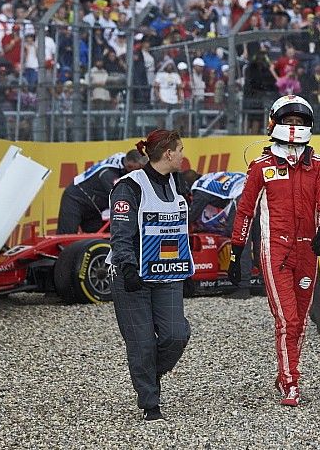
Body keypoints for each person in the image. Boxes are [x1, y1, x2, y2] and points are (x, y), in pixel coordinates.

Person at [228, 95, 320, 407]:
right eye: (289, 121)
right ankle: (291, 383)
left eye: (299, 122)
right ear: (275, 123)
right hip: (275, 250)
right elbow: (245, 211)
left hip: (308, 251)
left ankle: (284, 373)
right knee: (287, 320)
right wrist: (236, 251)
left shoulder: (319, 165)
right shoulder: (261, 166)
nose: (294, 127)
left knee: (300, 321)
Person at [109, 129, 194, 422]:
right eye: (180, 149)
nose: (183, 155)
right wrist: (128, 268)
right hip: (131, 274)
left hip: (168, 271)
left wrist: (187, 266)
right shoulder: (128, 187)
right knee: (141, 342)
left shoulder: (178, 182)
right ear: (168, 153)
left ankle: (149, 372)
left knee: (176, 334)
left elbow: (179, 228)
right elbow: (120, 234)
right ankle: (150, 403)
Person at [189, 171, 254, 299]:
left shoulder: (200, 186)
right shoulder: (214, 177)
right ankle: (263, 284)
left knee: (240, 241)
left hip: (243, 196)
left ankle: (243, 288)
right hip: (256, 191)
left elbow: (192, 214)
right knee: (259, 240)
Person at [56, 149, 147, 234]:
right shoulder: (109, 173)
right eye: (140, 168)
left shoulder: (126, 160)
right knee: (67, 236)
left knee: (103, 238)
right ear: (130, 165)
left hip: (94, 205)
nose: (141, 172)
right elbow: (121, 197)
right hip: (75, 198)